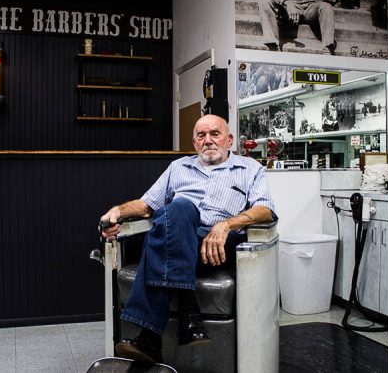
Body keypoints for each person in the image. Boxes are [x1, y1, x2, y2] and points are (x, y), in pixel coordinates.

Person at [99, 114, 276, 363]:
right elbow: (147, 205)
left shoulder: (250, 169)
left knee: (163, 229)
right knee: (178, 209)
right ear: (194, 143)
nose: (208, 140)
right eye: (201, 136)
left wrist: (227, 224)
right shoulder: (178, 167)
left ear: (229, 140)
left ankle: (151, 336)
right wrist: (117, 211)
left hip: (217, 245)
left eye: (215, 134)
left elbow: (265, 209)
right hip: (179, 237)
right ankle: (188, 314)